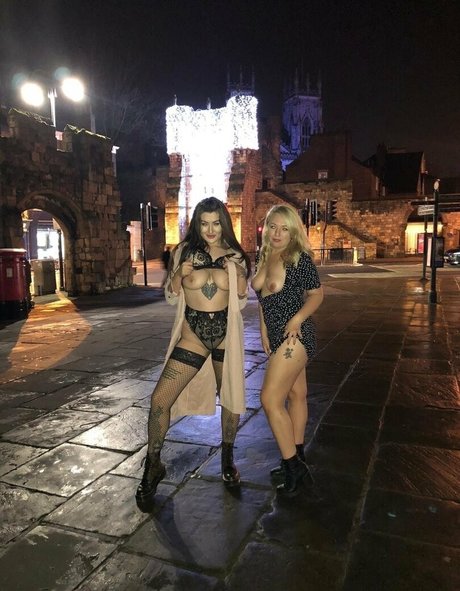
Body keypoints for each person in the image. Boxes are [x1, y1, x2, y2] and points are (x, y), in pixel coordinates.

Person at [136, 197, 250, 505]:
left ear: (224, 224)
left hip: (225, 337)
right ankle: (153, 465)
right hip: (193, 337)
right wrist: (177, 275)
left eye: (216, 224)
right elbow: (172, 297)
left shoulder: (236, 255)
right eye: (204, 223)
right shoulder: (182, 251)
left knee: (231, 399)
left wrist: (240, 279)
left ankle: (227, 458)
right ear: (196, 224)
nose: (210, 230)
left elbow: (241, 301)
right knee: (160, 400)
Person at [251, 204, 323, 496]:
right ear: (266, 228)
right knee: (296, 394)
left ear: (293, 231)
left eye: (284, 228)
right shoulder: (264, 255)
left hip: (296, 336)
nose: (278, 233)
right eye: (272, 227)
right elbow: (263, 299)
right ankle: (297, 455)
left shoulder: (298, 258)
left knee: (270, 399)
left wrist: (297, 319)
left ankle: (294, 467)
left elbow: (317, 295)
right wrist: (263, 330)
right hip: (276, 336)